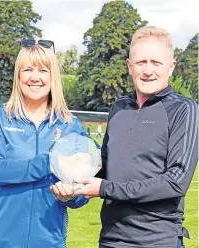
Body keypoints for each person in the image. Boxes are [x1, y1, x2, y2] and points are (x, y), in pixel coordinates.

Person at [73, 26, 198, 248]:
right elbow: (104, 169)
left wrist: (104, 189)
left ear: (171, 67)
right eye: (141, 62)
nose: (148, 70)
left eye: (156, 62)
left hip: (158, 241)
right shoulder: (118, 107)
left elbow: (175, 182)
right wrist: (72, 180)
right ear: (130, 67)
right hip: (111, 240)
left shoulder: (184, 109)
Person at [0, 40, 88, 248]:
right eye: (27, 69)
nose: (35, 77)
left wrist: (69, 196)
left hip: (50, 242)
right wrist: (53, 161)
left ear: (52, 77)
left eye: (43, 70)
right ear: (18, 76)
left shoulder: (70, 125)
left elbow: (81, 193)